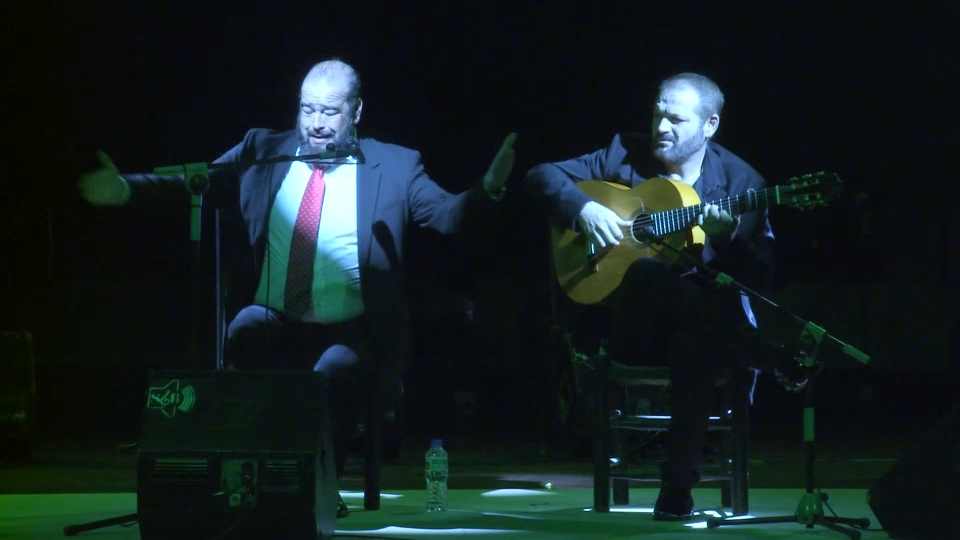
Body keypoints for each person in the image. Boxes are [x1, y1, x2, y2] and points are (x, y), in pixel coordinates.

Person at [77, 58, 517, 518]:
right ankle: (256, 471)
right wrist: (127, 189)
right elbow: (196, 182)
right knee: (245, 329)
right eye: (308, 110)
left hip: (349, 328)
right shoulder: (264, 152)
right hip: (278, 317)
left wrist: (488, 190)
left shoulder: (395, 165)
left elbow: (448, 216)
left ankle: (318, 483)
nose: (317, 124)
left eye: (330, 112)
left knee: (333, 371)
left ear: (356, 111)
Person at [525, 72, 792, 521]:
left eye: (676, 120)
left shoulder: (743, 183)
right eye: (657, 115)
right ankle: (765, 354)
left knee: (693, 342)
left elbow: (759, 278)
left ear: (710, 126)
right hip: (631, 331)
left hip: (701, 333)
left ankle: (676, 491)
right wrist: (584, 208)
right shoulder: (623, 154)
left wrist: (728, 241)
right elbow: (540, 176)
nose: (661, 128)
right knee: (647, 273)